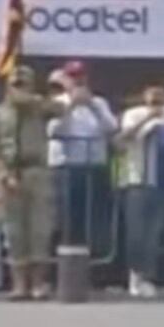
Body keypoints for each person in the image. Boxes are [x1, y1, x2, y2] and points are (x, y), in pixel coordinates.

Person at [0, 66, 59, 299]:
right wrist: (2, 174)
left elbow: (61, 109)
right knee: (13, 232)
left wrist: (35, 100)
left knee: (40, 230)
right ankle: (19, 285)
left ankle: (38, 283)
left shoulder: (39, 109)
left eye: (24, 84)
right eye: (16, 85)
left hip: (36, 171)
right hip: (10, 174)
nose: (20, 89)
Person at [117, 85, 164, 298]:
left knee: (155, 232)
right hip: (137, 179)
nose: (157, 104)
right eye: (153, 100)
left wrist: (162, 122)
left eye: (161, 99)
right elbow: (122, 138)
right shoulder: (134, 114)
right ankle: (135, 276)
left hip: (163, 181)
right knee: (136, 232)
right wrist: (149, 119)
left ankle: (148, 277)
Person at [47, 63, 117, 264]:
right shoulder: (57, 102)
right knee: (66, 215)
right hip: (66, 166)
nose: (77, 80)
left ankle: (94, 260)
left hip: (94, 165)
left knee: (94, 216)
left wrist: (92, 106)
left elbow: (111, 127)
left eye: (80, 76)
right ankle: (66, 259)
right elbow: (53, 130)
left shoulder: (99, 102)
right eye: (72, 76)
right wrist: (71, 106)